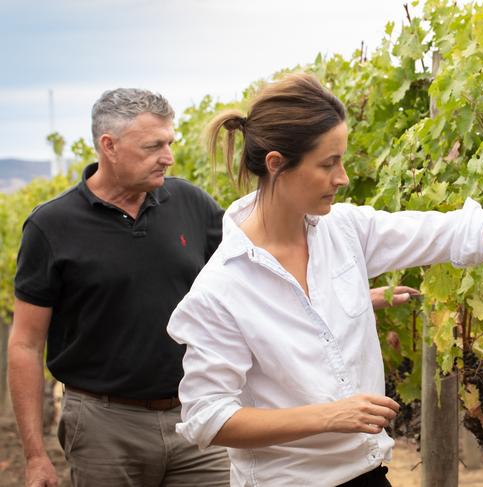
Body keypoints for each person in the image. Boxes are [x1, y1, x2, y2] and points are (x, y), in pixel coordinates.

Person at [166, 73, 483, 487]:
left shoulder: (344, 232)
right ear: (276, 165)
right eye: (328, 163)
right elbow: (210, 418)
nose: (343, 177)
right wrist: (330, 416)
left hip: (368, 474)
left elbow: (450, 232)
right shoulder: (222, 289)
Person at [7, 87, 414, 487]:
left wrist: (347, 299)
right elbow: (25, 343)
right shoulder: (52, 226)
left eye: (169, 142)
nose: (168, 157)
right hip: (107, 426)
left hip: (196, 420)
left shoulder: (189, 201)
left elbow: (263, 273)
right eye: (153, 147)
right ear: (108, 146)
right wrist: (35, 454)